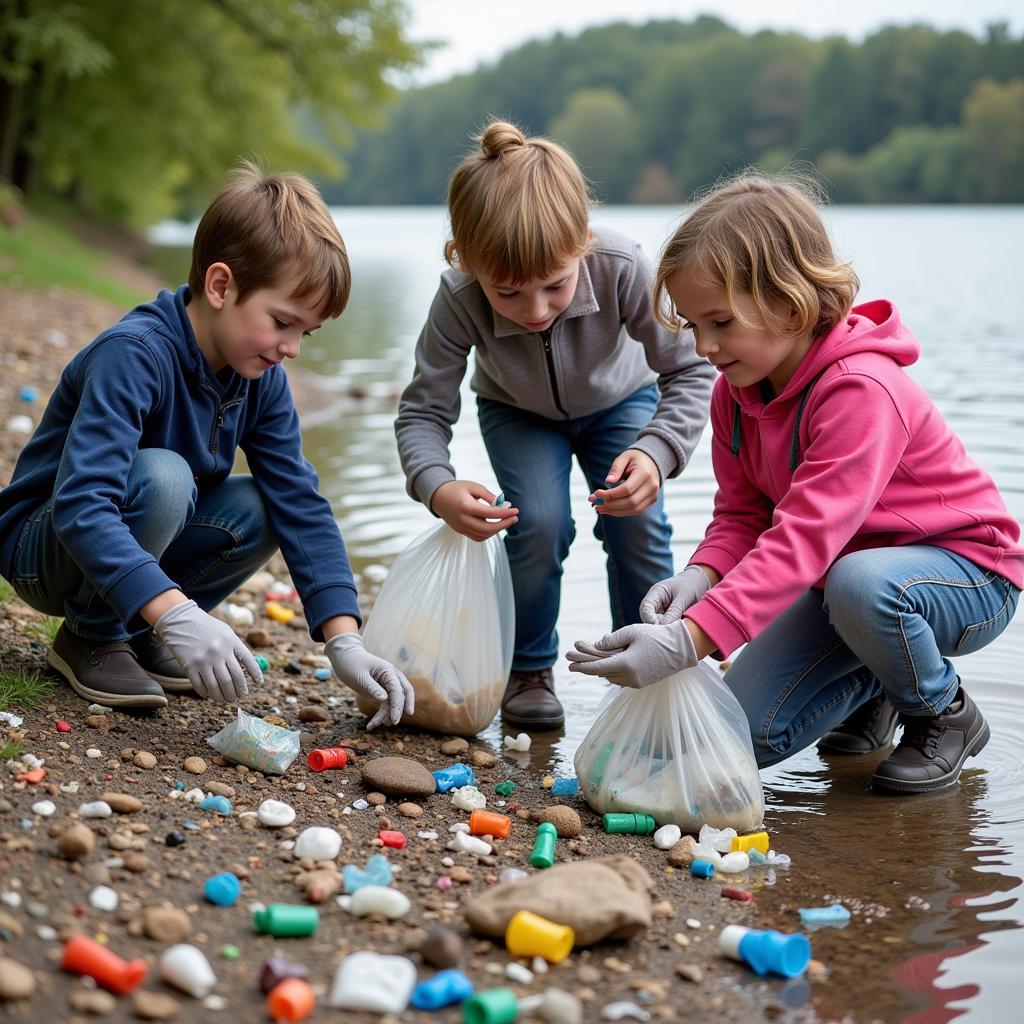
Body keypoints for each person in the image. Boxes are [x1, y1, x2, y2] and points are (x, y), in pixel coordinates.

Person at [568, 171, 1022, 793]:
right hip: (844, 580)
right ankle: (881, 685)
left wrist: (690, 641)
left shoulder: (860, 389)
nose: (703, 346)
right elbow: (743, 518)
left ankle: (942, 711)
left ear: (788, 301)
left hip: (966, 575)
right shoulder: (734, 393)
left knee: (861, 584)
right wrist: (699, 579)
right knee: (732, 741)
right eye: (695, 326)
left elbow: (804, 537)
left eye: (720, 323)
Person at [0, 162, 413, 729]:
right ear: (221, 286)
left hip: (131, 537)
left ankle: (137, 631)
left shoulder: (259, 377)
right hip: (44, 547)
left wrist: (345, 640)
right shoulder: (134, 355)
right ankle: (91, 637)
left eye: (306, 333)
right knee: (166, 478)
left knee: (266, 502)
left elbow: (300, 502)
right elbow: (82, 504)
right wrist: (179, 613)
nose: (292, 348)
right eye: (282, 322)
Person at [395, 120, 714, 730]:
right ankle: (530, 670)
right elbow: (424, 409)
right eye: (509, 294)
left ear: (585, 241)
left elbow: (691, 370)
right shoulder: (458, 297)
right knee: (536, 523)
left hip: (621, 405)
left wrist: (657, 450)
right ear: (465, 260)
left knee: (637, 523)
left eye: (556, 286)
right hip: (517, 413)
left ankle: (648, 661)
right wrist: (437, 486)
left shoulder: (623, 267)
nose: (536, 311)